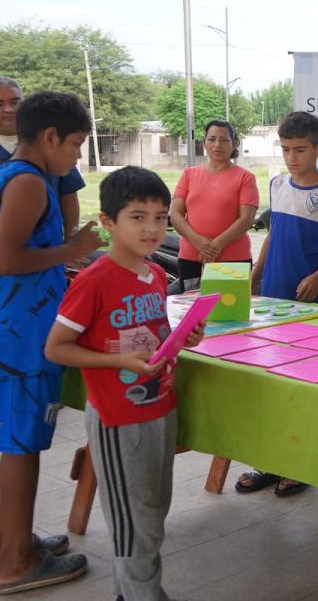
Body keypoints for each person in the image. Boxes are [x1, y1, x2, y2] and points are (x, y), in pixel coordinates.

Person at [45, 166, 205, 601]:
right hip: (119, 419)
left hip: (160, 408)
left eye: (159, 217)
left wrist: (182, 336)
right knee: (134, 525)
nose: (153, 228)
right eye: (138, 216)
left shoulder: (154, 275)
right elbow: (57, 347)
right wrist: (116, 360)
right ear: (108, 223)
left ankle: (130, 593)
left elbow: (149, 334)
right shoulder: (94, 281)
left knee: (152, 515)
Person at [0, 91, 101, 595]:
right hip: (23, 337)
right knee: (21, 446)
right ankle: (15, 563)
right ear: (51, 137)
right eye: (76, 144)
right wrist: (72, 249)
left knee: (23, 443)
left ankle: (10, 544)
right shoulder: (30, 183)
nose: (78, 156)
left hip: (22, 327)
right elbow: (6, 259)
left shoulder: (16, 176)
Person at [246, 111, 318, 497]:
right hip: (273, 299)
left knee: (305, 383)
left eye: (300, 150)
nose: (292, 157)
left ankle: (301, 463)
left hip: (311, 305)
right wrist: (256, 273)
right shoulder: (277, 185)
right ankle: (269, 462)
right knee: (271, 380)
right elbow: (273, 235)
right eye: (286, 149)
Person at [170, 119, 259, 290]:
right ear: (204, 142)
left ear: (235, 143)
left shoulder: (245, 178)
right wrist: (200, 243)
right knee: (193, 311)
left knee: (231, 314)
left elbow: (246, 219)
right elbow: (175, 214)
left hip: (234, 261)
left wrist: (214, 246)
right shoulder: (189, 174)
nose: (217, 144)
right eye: (212, 139)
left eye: (224, 139)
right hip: (192, 258)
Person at [0, 76, 85, 235]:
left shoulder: (50, 142)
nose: (8, 109)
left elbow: (68, 193)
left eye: (15, 102)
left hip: (49, 243)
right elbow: (8, 255)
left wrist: (71, 238)